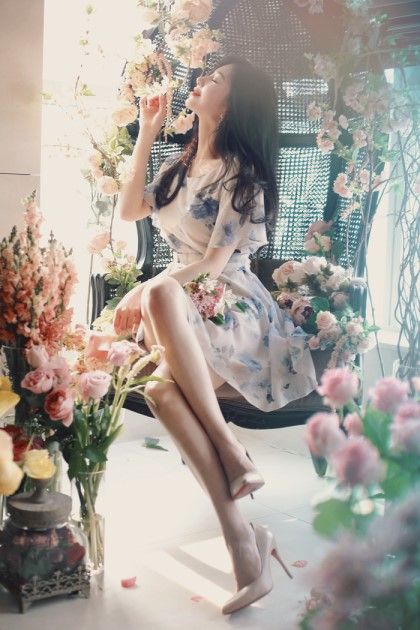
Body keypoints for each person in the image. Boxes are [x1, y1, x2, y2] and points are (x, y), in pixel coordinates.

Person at [114, 54, 317, 614]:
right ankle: (244, 539)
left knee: (158, 303)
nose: (200, 81)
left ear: (230, 105)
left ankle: (231, 458)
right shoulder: (179, 167)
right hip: (177, 306)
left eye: (215, 79)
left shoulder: (242, 173)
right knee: (158, 387)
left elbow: (214, 262)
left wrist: (144, 290)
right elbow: (129, 209)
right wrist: (148, 130)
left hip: (229, 306)